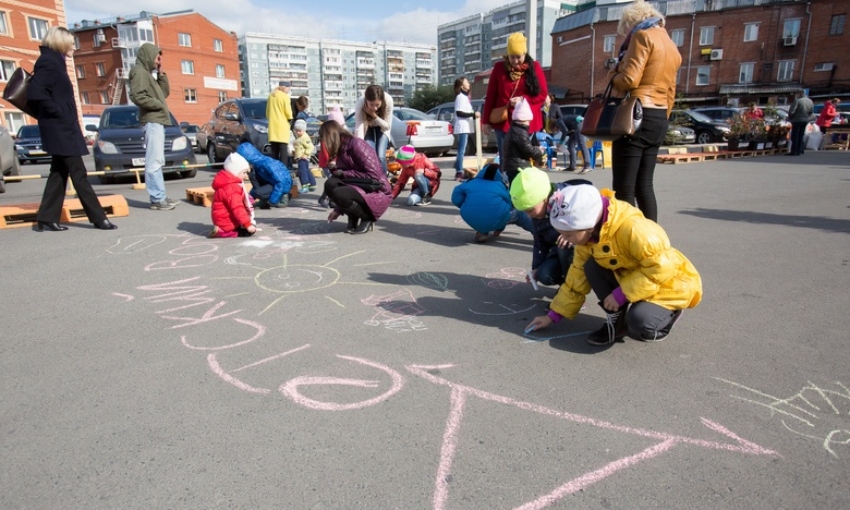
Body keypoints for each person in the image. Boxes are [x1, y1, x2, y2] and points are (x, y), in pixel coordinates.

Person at [524, 184, 702, 346]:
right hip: (633, 277)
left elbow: (661, 268)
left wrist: (622, 293)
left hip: (668, 284)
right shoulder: (589, 236)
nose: (567, 240)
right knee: (589, 266)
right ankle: (617, 321)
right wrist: (553, 315)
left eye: (568, 235)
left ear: (586, 226)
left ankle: (669, 314)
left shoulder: (635, 229)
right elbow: (575, 278)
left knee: (641, 322)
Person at [27, 26, 116, 231]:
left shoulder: (54, 62)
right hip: (60, 129)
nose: (73, 48)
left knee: (58, 173)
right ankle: (98, 218)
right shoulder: (49, 63)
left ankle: (46, 218)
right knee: (79, 173)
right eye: (71, 44)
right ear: (60, 43)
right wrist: (58, 111)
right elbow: (35, 93)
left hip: (62, 127)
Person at [606, 0, 681, 223]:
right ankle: (653, 240)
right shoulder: (671, 45)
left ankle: (629, 243)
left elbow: (629, 79)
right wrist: (661, 117)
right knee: (645, 186)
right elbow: (671, 90)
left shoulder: (642, 37)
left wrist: (612, 72)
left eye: (626, 28)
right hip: (658, 116)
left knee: (624, 187)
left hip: (636, 115)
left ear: (633, 21)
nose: (626, 34)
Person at [510, 168, 591, 287]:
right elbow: (539, 244)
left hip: (583, 250)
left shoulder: (568, 201)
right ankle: (565, 285)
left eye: (530, 210)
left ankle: (574, 288)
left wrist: (572, 233)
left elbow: (591, 221)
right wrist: (536, 268)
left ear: (544, 198)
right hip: (557, 252)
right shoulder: (538, 214)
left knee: (565, 246)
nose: (529, 215)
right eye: (525, 212)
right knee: (544, 275)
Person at [482, 32, 548, 162]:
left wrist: (523, 100)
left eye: (518, 57)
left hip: (526, 123)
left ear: (525, 54)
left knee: (524, 161)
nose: (515, 61)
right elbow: (490, 96)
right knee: (505, 161)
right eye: (512, 57)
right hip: (503, 121)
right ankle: (506, 181)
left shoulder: (535, 68)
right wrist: (486, 121)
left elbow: (542, 94)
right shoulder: (499, 68)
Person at [129, 42, 179, 210]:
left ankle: (161, 196)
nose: (158, 61)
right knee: (154, 161)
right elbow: (137, 96)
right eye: (157, 58)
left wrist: (161, 73)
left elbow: (164, 93)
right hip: (152, 120)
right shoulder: (139, 72)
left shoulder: (148, 75)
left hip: (157, 120)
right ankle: (157, 198)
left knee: (158, 159)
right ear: (149, 56)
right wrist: (157, 104)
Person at [319, 121, 392, 234]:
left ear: (330, 137)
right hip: (360, 185)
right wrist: (338, 209)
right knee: (330, 184)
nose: (324, 144)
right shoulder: (341, 148)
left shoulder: (357, 145)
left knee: (340, 192)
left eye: (324, 140)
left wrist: (343, 173)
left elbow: (373, 175)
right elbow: (341, 176)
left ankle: (367, 217)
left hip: (377, 189)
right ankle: (353, 216)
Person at [452, 162, 532, 244]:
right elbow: (509, 203)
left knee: (484, 212)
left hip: (471, 217)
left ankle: (482, 232)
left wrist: (463, 204)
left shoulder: (470, 182)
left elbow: (455, 197)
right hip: (496, 217)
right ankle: (539, 233)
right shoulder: (501, 185)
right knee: (519, 215)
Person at [208, 153, 257, 239]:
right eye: (244, 172)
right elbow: (237, 208)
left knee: (247, 229)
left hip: (223, 219)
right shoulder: (231, 188)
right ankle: (224, 232)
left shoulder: (229, 182)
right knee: (247, 232)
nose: (246, 175)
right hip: (225, 221)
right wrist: (247, 224)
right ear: (235, 172)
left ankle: (225, 228)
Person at [501, 97, 544, 184]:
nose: (529, 124)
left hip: (512, 165)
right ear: (523, 120)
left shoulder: (513, 130)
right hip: (518, 166)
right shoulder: (520, 132)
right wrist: (539, 151)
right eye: (528, 121)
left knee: (513, 187)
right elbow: (527, 149)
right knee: (519, 188)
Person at [237, 142, 292, 208]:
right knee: (253, 177)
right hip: (273, 183)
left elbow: (281, 182)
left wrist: (272, 201)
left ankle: (284, 196)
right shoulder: (257, 164)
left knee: (258, 192)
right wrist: (249, 198)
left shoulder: (266, 164)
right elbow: (256, 185)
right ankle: (264, 199)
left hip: (283, 185)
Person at [354, 84, 394, 174]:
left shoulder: (388, 100)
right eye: (371, 104)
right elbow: (359, 124)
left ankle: (384, 182)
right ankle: (373, 179)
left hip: (383, 128)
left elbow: (387, 126)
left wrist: (374, 115)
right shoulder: (360, 102)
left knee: (380, 155)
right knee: (370, 155)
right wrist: (359, 143)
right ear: (366, 100)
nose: (375, 108)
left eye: (377, 105)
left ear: (382, 101)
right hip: (367, 127)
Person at [453, 77, 478, 182]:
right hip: (462, 126)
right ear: (462, 86)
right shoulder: (460, 97)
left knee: (462, 150)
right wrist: (473, 114)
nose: (469, 84)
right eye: (467, 82)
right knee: (461, 150)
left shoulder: (465, 97)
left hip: (466, 126)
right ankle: (459, 172)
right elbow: (459, 113)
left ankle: (458, 169)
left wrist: (473, 115)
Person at [266, 81, 293, 166]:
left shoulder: (271, 96)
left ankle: (274, 170)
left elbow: (267, 112)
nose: (289, 90)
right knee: (283, 151)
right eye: (289, 88)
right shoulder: (285, 97)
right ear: (285, 87)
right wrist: (290, 119)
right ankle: (283, 170)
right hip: (282, 127)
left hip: (273, 127)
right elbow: (288, 112)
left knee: (274, 152)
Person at [292, 119, 316, 193]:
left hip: (303, 158)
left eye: (300, 131)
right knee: (306, 171)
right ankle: (312, 184)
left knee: (302, 172)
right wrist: (295, 153)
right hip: (300, 157)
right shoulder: (299, 138)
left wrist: (306, 154)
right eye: (296, 131)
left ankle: (305, 185)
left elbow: (310, 147)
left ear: (304, 130)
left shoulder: (304, 138)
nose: (298, 132)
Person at [787, 92, 814, 156]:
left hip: (796, 120)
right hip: (805, 120)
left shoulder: (797, 101)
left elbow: (792, 111)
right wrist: (806, 117)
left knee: (795, 136)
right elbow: (811, 111)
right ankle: (800, 150)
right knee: (801, 135)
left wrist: (790, 118)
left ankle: (794, 151)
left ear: (800, 94)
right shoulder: (810, 101)